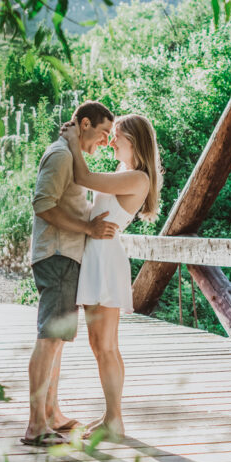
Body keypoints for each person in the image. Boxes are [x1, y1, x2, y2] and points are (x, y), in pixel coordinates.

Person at [60, 113, 162, 440]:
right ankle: (110, 416)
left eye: (116, 135)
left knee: (105, 346)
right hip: (95, 255)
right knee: (99, 344)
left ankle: (114, 420)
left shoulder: (137, 178)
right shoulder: (123, 172)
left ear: (133, 141)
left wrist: (72, 137)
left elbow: (83, 176)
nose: (111, 140)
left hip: (105, 259)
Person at [23, 100, 116, 446]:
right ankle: (35, 426)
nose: (105, 142)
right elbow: (42, 205)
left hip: (65, 258)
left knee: (57, 341)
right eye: (104, 133)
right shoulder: (61, 155)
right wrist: (87, 228)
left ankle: (51, 413)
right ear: (86, 124)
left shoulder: (69, 153)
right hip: (58, 256)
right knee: (48, 340)